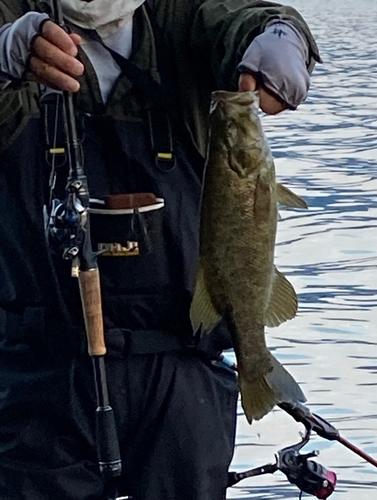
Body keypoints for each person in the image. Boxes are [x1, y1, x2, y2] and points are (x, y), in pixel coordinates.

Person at [0, 1, 321, 499]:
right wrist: (3, 55)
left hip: (183, 372)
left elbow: (242, 18)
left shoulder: (179, 14)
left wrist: (284, 35)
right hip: (40, 379)